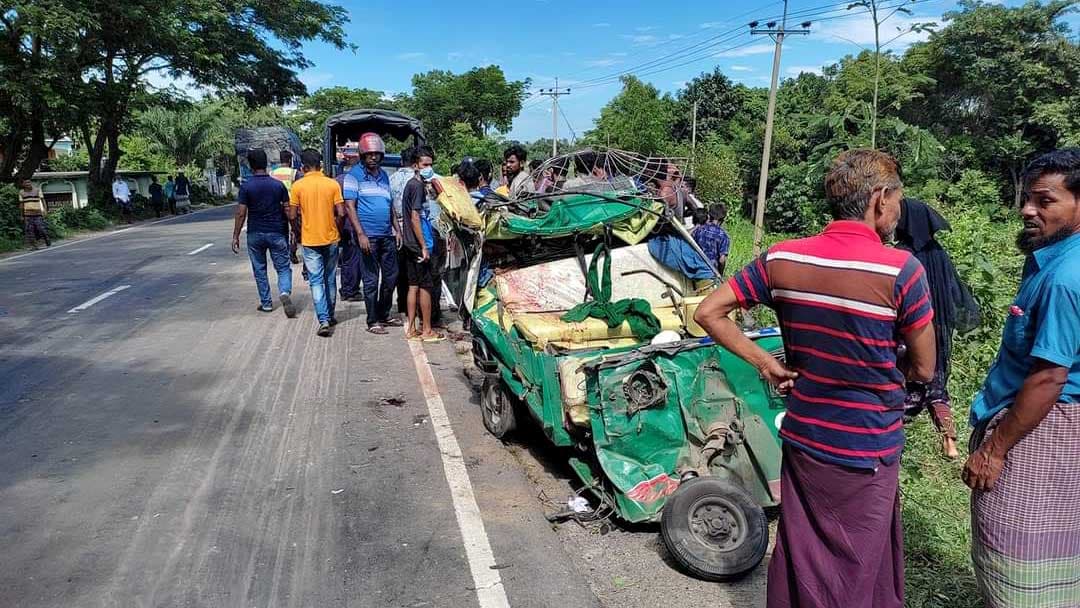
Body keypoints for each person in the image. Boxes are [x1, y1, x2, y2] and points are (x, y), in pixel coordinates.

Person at [694, 149, 936, 608]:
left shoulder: (781, 258)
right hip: (867, 443)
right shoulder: (902, 270)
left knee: (803, 550)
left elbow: (709, 312)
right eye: (899, 199)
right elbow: (924, 368)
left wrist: (766, 363)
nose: (899, 210)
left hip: (806, 436)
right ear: (880, 199)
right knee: (856, 561)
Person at [965, 148, 1080, 608]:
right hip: (1038, 425)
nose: (1028, 210)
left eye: (1045, 201)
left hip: (1036, 434)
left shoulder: (1065, 278)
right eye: (1027, 199)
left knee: (1018, 558)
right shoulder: (1049, 262)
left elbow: (1049, 376)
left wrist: (994, 451)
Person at [895, 198, 981, 459]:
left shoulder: (902, 255)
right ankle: (950, 442)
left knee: (902, 383)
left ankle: (894, 439)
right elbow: (955, 293)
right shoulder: (938, 253)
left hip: (912, 331)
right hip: (938, 329)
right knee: (937, 388)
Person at [341, 133, 403, 334]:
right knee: (370, 280)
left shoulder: (384, 175)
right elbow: (350, 207)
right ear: (362, 155)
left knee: (391, 276)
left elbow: (390, 204)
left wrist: (397, 230)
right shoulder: (353, 176)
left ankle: (384, 313)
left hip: (387, 236)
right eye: (369, 154)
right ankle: (372, 320)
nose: (373, 158)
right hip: (368, 237)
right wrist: (360, 234)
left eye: (377, 154)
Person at [287, 148, 345, 337]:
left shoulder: (298, 187)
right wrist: (336, 229)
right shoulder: (332, 184)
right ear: (320, 165)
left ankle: (324, 319)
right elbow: (342, 212)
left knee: (316, 281)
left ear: (303, 167)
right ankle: (331, 314)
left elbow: (293, 215)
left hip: (310, 240)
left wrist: (298, 233)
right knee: (329, 278)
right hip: (331, 238)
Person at [231, 149, 296, 318]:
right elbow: (288, 210)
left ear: (251, 165)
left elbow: (241, 213)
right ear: (266, 163)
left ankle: (266, 303)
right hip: (277, 232)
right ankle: (284, 292)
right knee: (282, 268)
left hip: (255, 234)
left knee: (260, 269)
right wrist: (295, 229)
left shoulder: (246, 186)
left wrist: (236, 235)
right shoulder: (278, 185)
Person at [401, 146, 442, 342]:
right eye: (425, 164)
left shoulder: (411, 184)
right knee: (426, 286)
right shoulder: (417, 187)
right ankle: (427, 329)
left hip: (410, 242)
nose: (428, 168)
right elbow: (415, 217)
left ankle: (411, 328)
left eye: (431, 164)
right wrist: (424, 245)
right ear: (415, 165)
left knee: (413, 286)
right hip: (419, 243)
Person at [390, 146, 417, 315]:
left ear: (401, 161)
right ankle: (413, 307)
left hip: (396, 228)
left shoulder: (390, 179)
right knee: (415, 270)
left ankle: (401, 304)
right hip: (414, 228)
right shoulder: (417, 179)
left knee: (399, 269)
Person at [335, 145, 363, 301]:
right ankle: (350, 290)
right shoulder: (359, 178)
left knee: (347, 258)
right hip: (355, 225)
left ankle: (347, 288)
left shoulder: (337, 180)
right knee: (354, 258)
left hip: (343, 225)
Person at [691, 204, 730, 276]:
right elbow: (722, 260)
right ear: (723, 219)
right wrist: (720, 275)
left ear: (709, 216)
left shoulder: (698, 230)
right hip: (710, 273)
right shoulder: (723, 236)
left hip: (694, 269)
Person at [19, 180, 50, 249]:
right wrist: (21, 215)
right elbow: (21, 205)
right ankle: (34, 245)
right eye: (26, 183)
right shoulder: (21, 192)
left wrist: (45, 210)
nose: (28, 184)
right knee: (29, 230)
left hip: (37, 213)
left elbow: (42, 200)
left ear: (31, 183)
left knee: (41, 228)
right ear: (23, 185)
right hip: (27, 214)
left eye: (29, 182)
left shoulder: (37, 190)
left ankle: (46, 239)